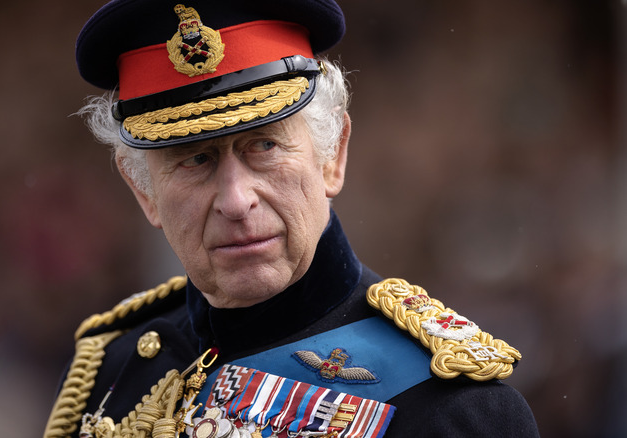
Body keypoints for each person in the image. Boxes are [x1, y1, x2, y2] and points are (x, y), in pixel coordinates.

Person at [44, 1, 539, 437]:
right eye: (195, 160)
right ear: (143, 192)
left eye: (263, 146)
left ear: (332, 156)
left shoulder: (453, 410)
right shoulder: (109, 370)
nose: (236, 201)